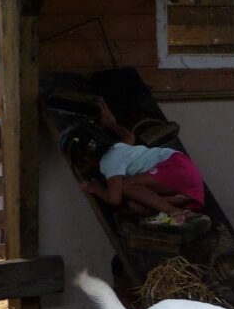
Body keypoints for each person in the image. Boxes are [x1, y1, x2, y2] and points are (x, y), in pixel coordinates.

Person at [63, 97, 210, 234]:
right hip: (183, 173)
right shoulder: (119, 147)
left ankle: (174, 213)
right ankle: (181, 204)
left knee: (127, 187)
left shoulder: (109, 163)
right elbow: (129, 136)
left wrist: (96, 188)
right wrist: (111, 124)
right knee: (135, 206)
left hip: (175, 167)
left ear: (86, 159)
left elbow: (114, 199)